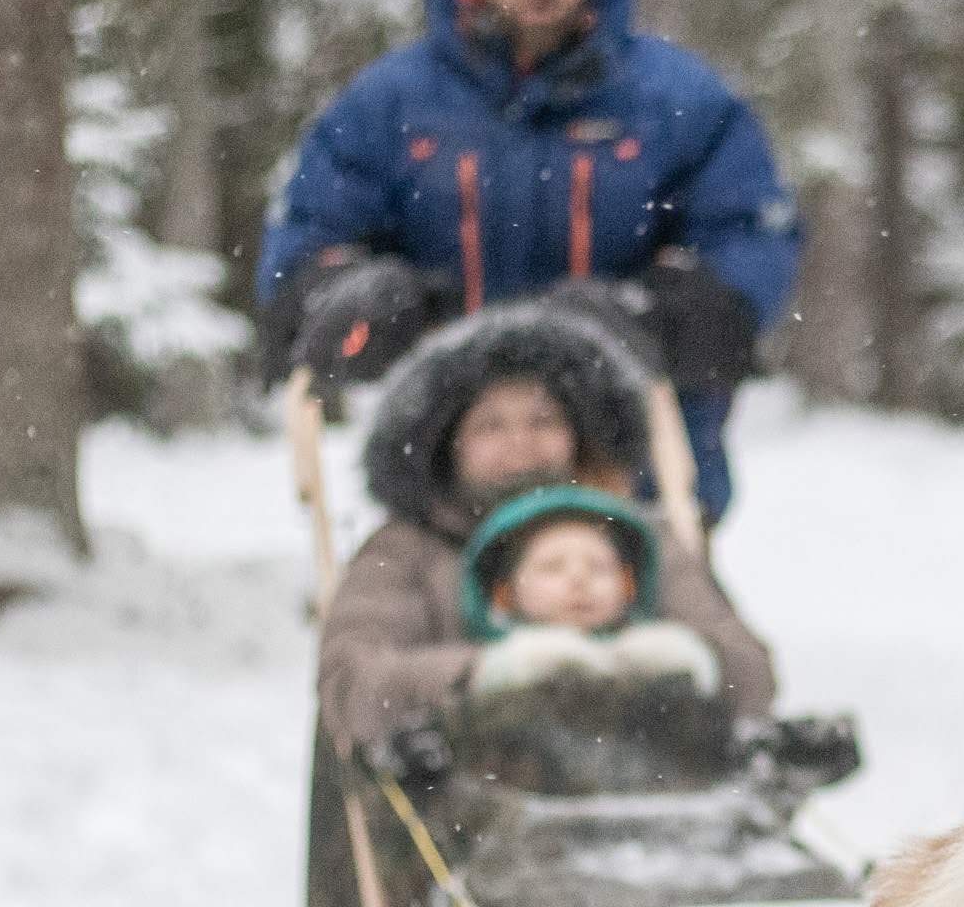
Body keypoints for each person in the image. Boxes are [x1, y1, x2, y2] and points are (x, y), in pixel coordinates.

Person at [256, 0, 799, 523]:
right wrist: (350, 290)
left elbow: (750, 232)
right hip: (449, 476)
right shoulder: (389, 105)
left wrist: (662, 307)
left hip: (634, 471)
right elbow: (309, 238)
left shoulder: (677, 100)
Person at [317, 303, 774, 754]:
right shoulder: (406, 548)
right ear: (447, 445)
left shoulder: (635, 534)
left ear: (578, 433)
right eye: (490, 426)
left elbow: (750, 673)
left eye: (543, 420)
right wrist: (487, 673)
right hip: (463, 781)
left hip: (646, 773)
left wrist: (670, 660)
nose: (521, 442)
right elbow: (352, 685)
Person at [456, 484, 724, 698]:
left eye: (598, 568)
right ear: (503, 594)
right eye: (552, 567)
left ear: (628, 586)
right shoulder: (497, 682)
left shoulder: (665, 668)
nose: (579, 579)